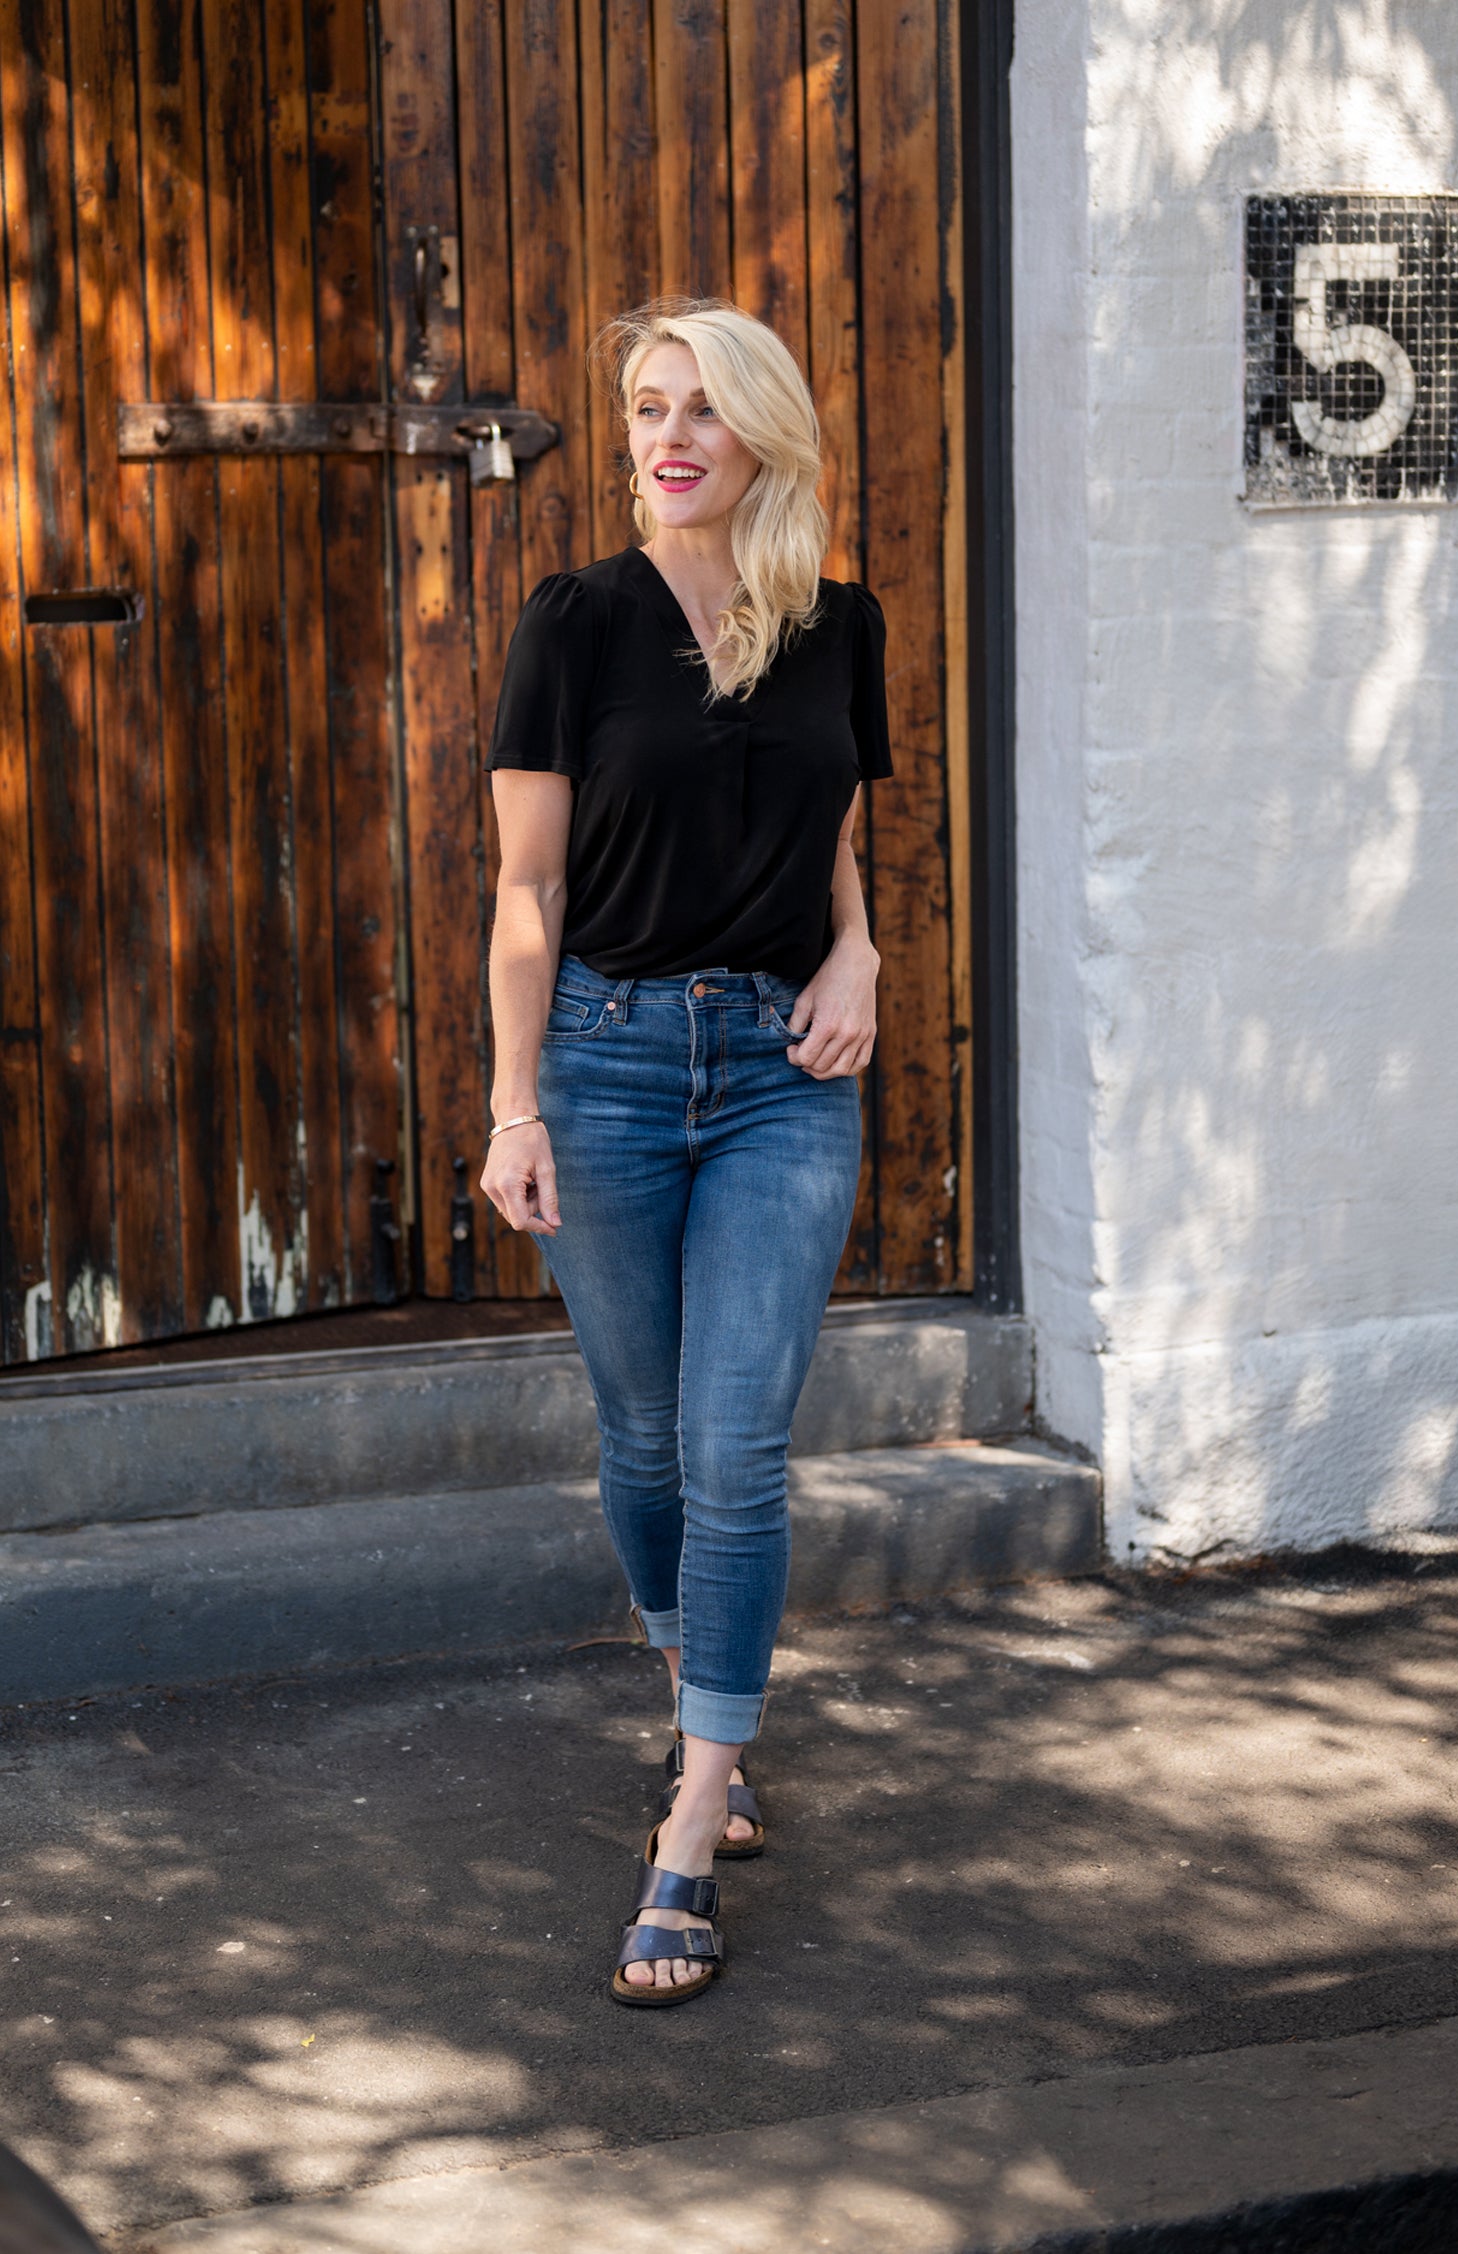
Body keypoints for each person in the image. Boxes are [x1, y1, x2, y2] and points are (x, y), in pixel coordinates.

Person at [479, 296, 892, 2007]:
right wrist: (513, 1103)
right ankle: (694, 1689)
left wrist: (860, 952)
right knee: (643, 1439)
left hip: (789, 1072)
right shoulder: (575, 621)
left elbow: (834, 834)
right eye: (650, 406)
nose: (669, 436)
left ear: (764, 432)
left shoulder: (839, 623)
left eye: (703, 408)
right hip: (610, 1063)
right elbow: (528, 889)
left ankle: (694, 1818)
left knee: (735, 1448)